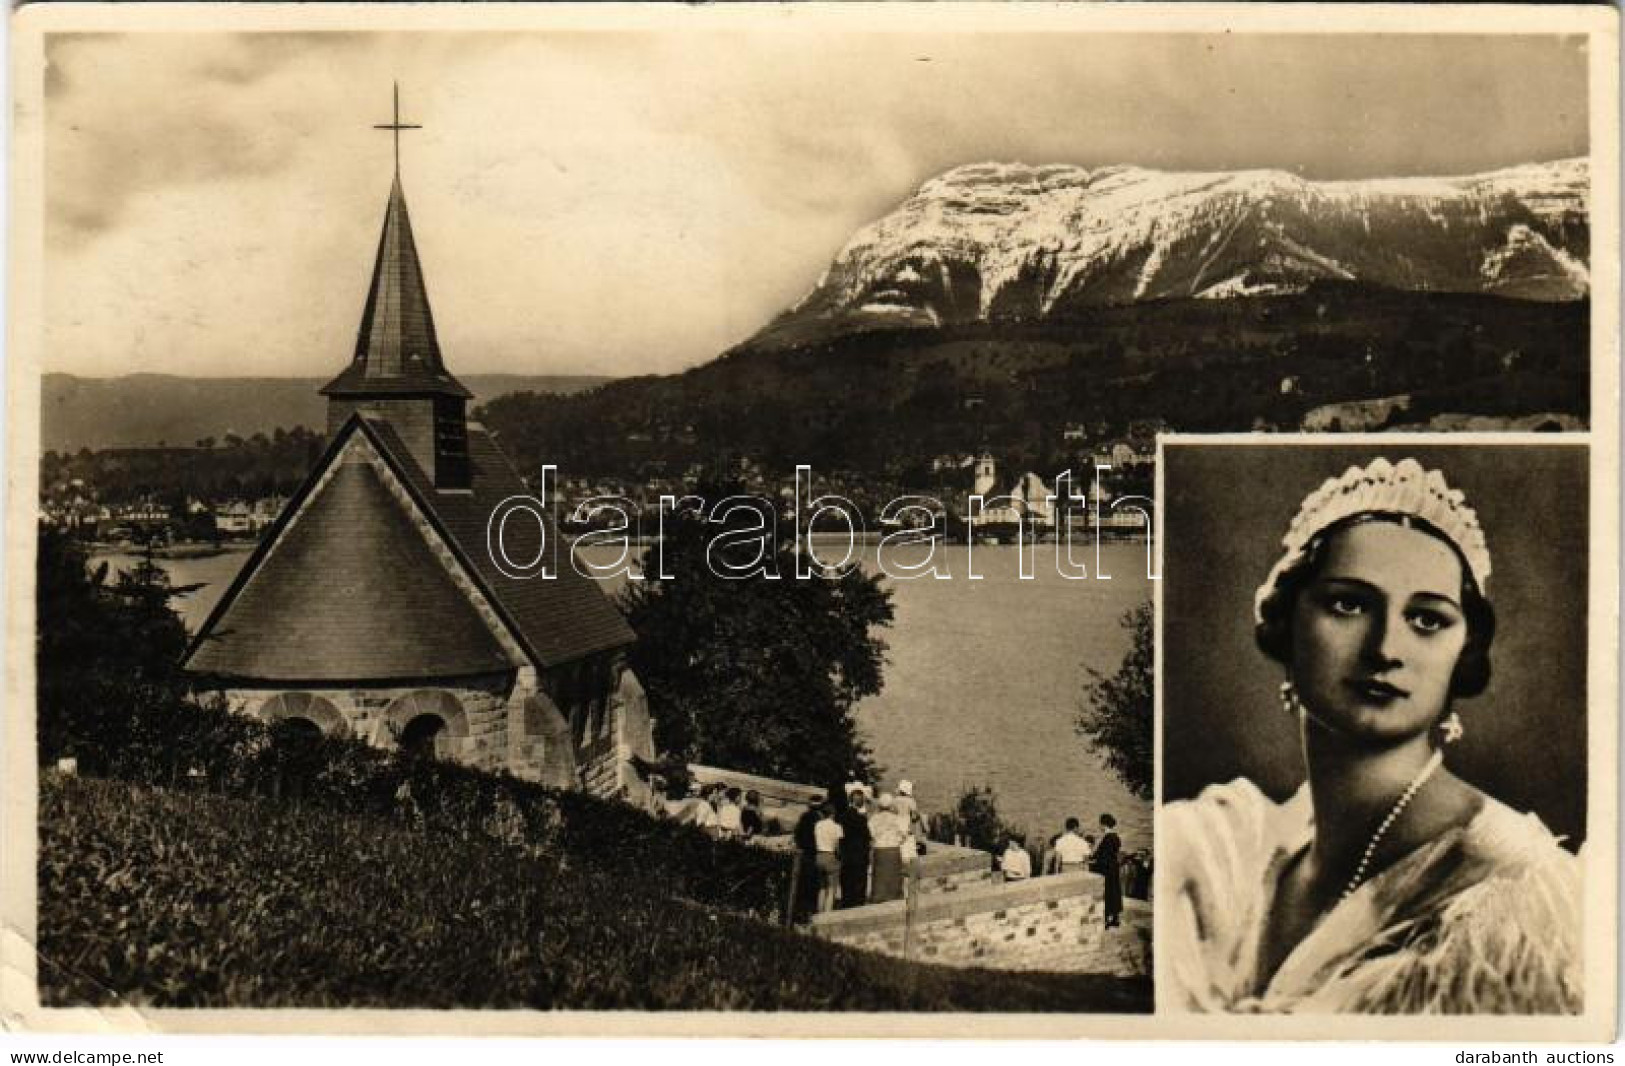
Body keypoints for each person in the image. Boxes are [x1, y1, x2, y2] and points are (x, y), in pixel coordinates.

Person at [1163, 457, 1581, 1014]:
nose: (1386, 647)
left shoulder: (1513, 901)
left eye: (1428, 619)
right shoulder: (1228, 853)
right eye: (1349, 604)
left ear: (1463, 654)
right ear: (1289, 623)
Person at [868, 792, 908, 903]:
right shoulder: (897, 818)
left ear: (879, 805)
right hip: (893, 849)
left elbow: (870, 834)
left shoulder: (874, 818)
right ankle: (893, 898)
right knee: (894, 877)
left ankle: (879, 898)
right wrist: (898, 841)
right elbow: (904, 835)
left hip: (879, 849)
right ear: (891, 805)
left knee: (880, 878)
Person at [838, 786, 873, 908]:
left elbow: (840, 837)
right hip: (860, 856)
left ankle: (846, 904)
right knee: (859, 885)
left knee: (847, 884)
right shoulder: (862, 819)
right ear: (860, 802)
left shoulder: (842, 817)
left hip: (847, 856)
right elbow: (868, 837)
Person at [812, 802, 845, 914]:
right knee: (831, 889)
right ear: (833, 813)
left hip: (819, 855)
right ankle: (827, 914)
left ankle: (818, 911)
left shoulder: (817, 825)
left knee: (821, 888)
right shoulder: (837, 827)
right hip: (830, 855)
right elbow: (837, 846)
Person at [1093, 813, 1123, 928]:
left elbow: (1102, 856)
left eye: (1100, 824)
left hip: (1106, 869)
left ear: (1103, 824)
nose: (1099, 826)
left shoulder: (1107, 838)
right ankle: (1115, 919)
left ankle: (1105, 920)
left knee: (1107, 893)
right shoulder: (1116, 837)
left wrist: (1094, 861)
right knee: (1115, 892)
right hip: (1114, 868)